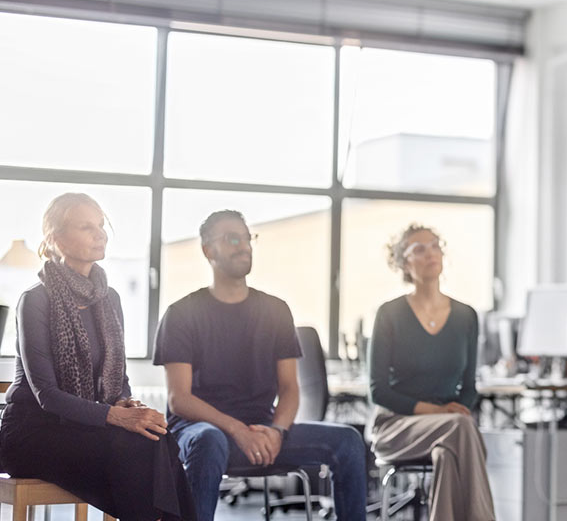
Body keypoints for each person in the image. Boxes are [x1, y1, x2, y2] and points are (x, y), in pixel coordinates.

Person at [153, 210, 367, 521]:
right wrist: (237, 429)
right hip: (199, 430)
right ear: (208, 250)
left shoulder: (276, 311)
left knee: (348, 441)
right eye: (232, 239)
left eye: (247, 238)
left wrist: (277, 431)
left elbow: (290, 388)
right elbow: (179, 399)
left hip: (263, 430)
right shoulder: (181, 314)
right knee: (209, 440)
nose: (244, 246)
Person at [0, 193, 195, 521]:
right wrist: (116, 417)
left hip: (83, 430)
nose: (100, 234)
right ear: (57, 239)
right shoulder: (36, 300)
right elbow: (47, 395)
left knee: (159, 438)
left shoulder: (109, 299)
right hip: (32, 434)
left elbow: (119, 378)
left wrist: (125, 403)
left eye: (101, 225)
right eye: (86, 227)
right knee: (138, 450)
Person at [366, 224, 495, 521]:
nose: (431, 253)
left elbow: (469, 387)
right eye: (420, 249)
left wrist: (452, 411)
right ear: (404, 263)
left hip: (449, 429)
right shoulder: (389, 314)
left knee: (447, 454)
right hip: (397, 426)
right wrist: (438, 412)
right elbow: (378, 391)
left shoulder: (466, 316)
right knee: (461, 428)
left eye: (435, 246)